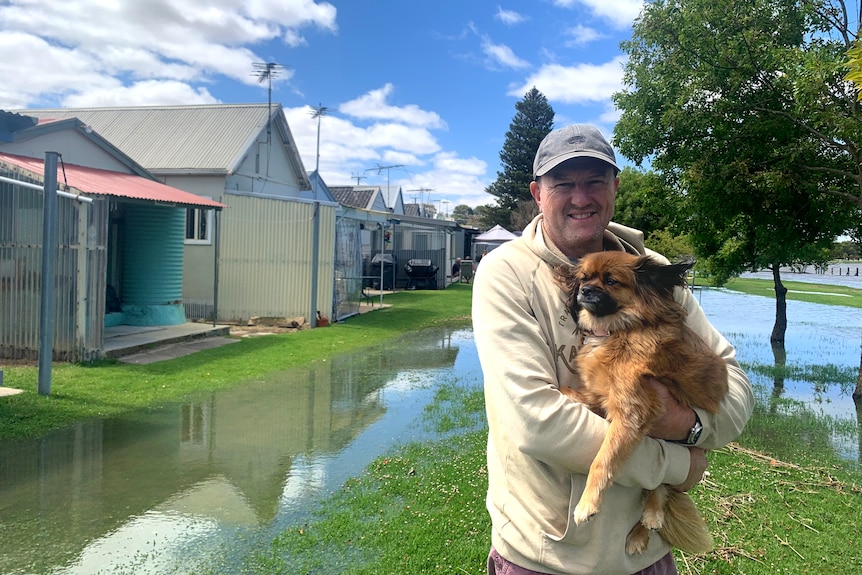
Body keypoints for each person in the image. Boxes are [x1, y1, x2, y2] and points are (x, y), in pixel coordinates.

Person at [472, 124, 754, 575]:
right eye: (563, 183)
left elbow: (735, 392)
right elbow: (536, 423)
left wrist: (689, 424)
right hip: (548, 555)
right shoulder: (505, 274)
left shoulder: (654, 273)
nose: (580, 197)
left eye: (595, 181)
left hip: (646, 554)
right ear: (538, 193)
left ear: (615, 188)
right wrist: (677, 464)